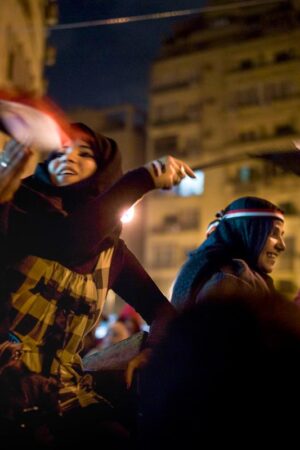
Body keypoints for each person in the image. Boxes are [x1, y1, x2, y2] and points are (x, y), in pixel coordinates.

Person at [0, 122, 194, 446]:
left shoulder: (112, 252)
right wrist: (141, 179)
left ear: (103, 171)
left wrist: (154, 350)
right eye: (60, 150)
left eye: (84, 152)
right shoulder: (16, 210)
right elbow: (68, 243)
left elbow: (162, 312)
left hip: (62, 394)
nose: (68, 157)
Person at [171, 196, 286, 311]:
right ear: (246, 231)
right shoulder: (231, 280)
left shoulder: (207, 268)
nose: (282, 246)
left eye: (282, 235)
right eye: (273, 233)